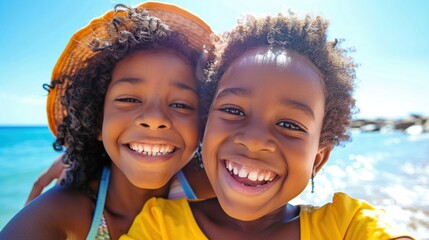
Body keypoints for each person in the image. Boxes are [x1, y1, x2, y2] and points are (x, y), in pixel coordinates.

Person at [121, 13, 415, 239]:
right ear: (205, 127)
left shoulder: (348, 225)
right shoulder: (159, 225)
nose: (254, 139)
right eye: (233, 110)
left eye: (289, 124)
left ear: (318, 158)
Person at [0, 2, 215, 239]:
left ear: (202, 123)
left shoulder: (210, 186)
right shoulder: (60, 216)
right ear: (96, 119)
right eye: (129, 99)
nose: (154, 119)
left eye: (181, 104)